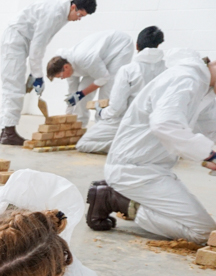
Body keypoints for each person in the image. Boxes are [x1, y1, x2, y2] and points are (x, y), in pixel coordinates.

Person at [87, 55, 216, 243]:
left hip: (153, 168)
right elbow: (164, 124)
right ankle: (115, 199)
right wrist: (211, 155)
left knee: (203, 228)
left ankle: (125, 198)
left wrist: (210, 156)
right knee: (204, 232)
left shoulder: (204, 89)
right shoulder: (186, 78)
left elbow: (210, 129)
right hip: (134, 170)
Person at [0, 0, 96, 146]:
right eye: (80, 14)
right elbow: (38, 46)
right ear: (73, 7)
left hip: (24, 39)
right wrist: (38, 75)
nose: (79, 19)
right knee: (14, 86)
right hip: (16, 38)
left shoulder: (62, 13)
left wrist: (34, 72)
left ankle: (6, 131)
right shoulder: (54, 13)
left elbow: (40, 44)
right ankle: (8, 132)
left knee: (16, 86)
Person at [77, 27, 166, 154]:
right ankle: (143, 145)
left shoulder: (128, 70)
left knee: (83, 144)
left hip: (127, 122)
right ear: (158, 45)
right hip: (154, 124)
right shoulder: (166, 70)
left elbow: (116, 109)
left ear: (136, 46)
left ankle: (128, 146)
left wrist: (101, 112)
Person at [46, 30, 135, 127]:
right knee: (81, 95)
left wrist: (82, 93)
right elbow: (73, 93)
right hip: (97, 61)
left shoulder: (84, 59)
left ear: (66, 67)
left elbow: (103, 78)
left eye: (61, 76)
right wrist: (67, 117)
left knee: (106, 93)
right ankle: (78, 126)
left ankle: (102, 126)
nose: (62, 79)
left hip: (119, 47)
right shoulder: (68, 66)